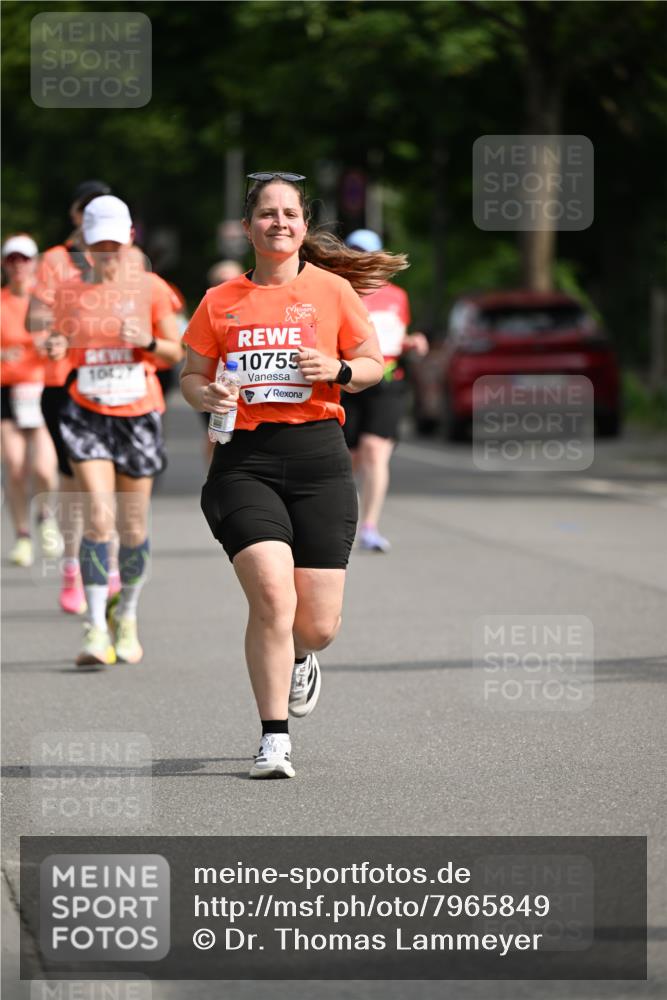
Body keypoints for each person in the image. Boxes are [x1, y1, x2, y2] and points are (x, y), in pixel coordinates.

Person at [180, 171, 407, 778]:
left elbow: (373, 367)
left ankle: (304, 656)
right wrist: (210, 393)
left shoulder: (332, 292)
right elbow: (189, 378)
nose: (278, 222)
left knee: (316, 624)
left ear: (304, 226)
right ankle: (273, 738)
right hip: (243, 462)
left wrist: (335, 368)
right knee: (273, 598)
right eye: (266, 214)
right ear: (249, 225)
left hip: (319, 460)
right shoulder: (220, 300)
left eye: (290, 214)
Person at [47, 195, 183, 667]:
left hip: (138, 412)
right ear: (84, 242)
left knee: (132, 526)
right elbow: (59, 342)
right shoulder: (69, 291)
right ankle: (94, 628)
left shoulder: (151, 288)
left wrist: (144, 340)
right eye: (97, 243)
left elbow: (174, 351)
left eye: (114, 242)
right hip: (86, 412)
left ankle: (126, 615)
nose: (106, 252)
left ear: (129, 238)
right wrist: (56, 344)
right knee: (99, 520)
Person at [27, 180, 115, 612]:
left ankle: (108, 561)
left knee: (110, 480)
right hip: (65, 383)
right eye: (90, 210)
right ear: (76, 215)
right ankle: (71, 565)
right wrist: (51, 336)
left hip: (115, 383)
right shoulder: (56, 261)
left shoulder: (128, 262)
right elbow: (37, 317)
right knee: (73, 482)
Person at [341, 229, 428, 552]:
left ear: (378, 256)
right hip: (347, 379)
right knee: (348, 457)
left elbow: (394, 338)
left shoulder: (397, 297)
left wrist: (413, 342)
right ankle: (340, 519)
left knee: (375, 451)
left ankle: (370, 526)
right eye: (353, 251)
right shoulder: (337, 292)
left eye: (365, 252)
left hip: (388, 380)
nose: (360, 257)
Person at [1, 234, 61, 567]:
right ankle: (22, 535)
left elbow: (64, 338)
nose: (18, 266)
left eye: (24, 259)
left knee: (43, 467)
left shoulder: (47, 303)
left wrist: (50, 345)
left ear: (35, 263)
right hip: (9, 391)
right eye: (12, 260)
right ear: (4, 264)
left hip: (42, 388)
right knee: (15, 464)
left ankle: (45, 515)